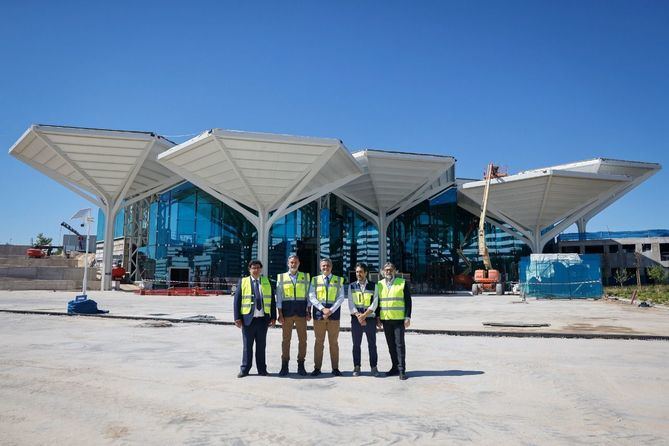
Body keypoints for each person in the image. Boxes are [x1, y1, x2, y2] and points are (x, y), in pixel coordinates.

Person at [233, 259, 276, 378]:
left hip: (263, 320)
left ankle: (262, 369)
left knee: (261, 346)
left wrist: (273, 317)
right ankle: (245, 369)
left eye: (258, 268)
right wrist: (237, 317)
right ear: (250, 269)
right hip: (248, 320)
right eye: (253, 268)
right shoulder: (243, 281)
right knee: (247, 346)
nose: (256, 270)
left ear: (261, 269)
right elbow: (237, 301)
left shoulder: (266, 282)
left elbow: (272, 300)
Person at [308, 258, 345, 376]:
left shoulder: (338, 280)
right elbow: (312, 296)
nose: (326, 267)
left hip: (334, 315)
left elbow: (341, 297)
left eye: (328, 265)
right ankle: (317, 368)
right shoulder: (314, 280)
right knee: (319, 342)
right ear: (320, 267)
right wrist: (322, 309)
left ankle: (335, 368)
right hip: (319, 314)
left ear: (331, 267)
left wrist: (331, 310)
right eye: (323, 266)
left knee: (333, 343)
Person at [276, 254, 311, 376]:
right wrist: (279, 314)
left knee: (303, 340)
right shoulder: (281, 277)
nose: (293, 264)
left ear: (299, 263)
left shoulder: (305, 277)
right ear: (288, 264)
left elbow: (308, 296)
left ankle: (301, 365)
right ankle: (284, 365)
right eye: (291, 262)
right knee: (286, 340)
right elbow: (279, 298)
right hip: (287, 313)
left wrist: (309, 312)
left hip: (301, 313)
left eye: (295, 262)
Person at [376, 262, 412, 380]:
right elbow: (377, 303)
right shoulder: (379, 284)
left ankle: (402, 370)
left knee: (399, 345)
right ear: (382, 272)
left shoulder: (402, 283)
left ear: (395, 271)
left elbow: (408, 301)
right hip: (386, 319)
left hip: (398, 320)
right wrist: (378, 318)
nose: (388, 272)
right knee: (391, 345)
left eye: (390, 270)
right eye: (386, 270)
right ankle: (394, 367)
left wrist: (407, 317)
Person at [347, 262, 379, 377]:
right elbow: (350, 303)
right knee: (356, 344)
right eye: (357, 272)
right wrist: (358, 316)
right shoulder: (351, 286)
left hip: (370, 319)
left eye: (360, 272)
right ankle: (357, 366)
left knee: (372, 344)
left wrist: (364, 315)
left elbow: (375, 303)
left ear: (366, 272)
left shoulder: (374, 286)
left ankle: (374, 367)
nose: (358, 274)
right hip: (356, 320)